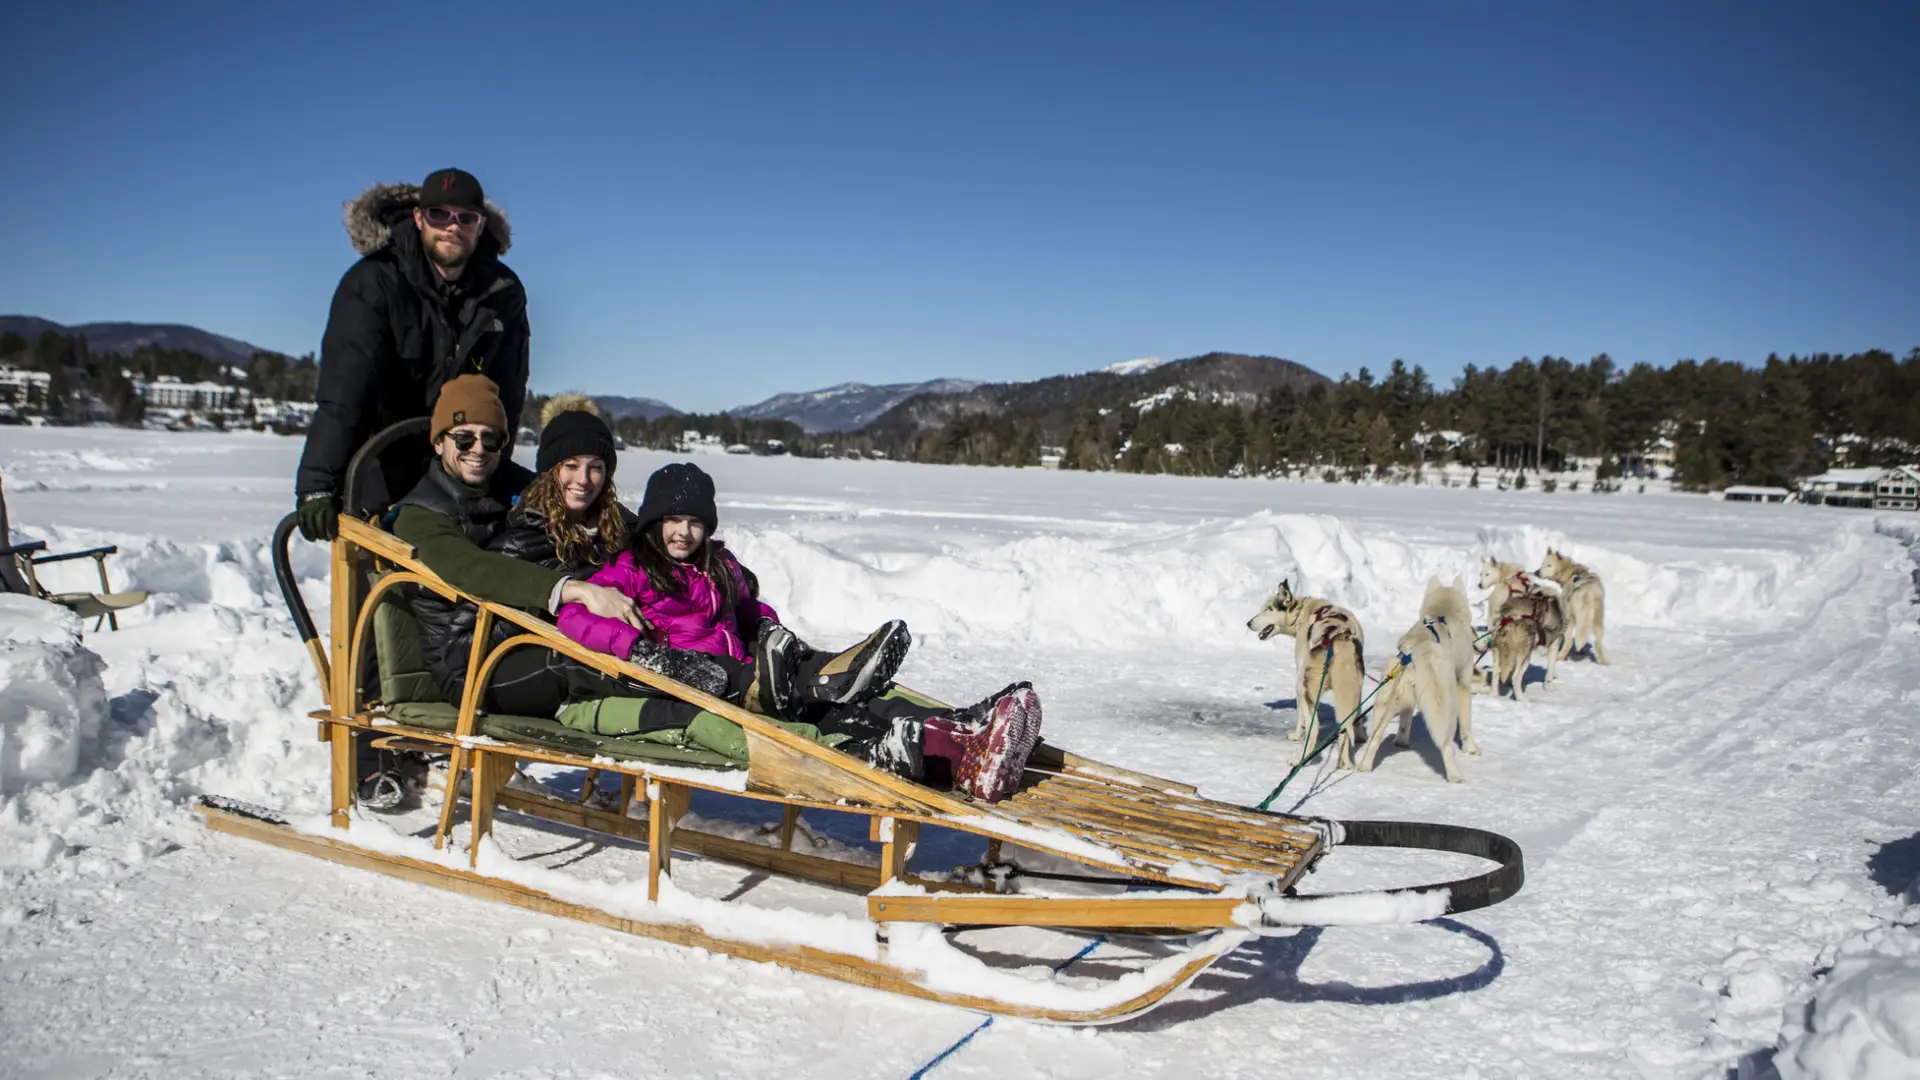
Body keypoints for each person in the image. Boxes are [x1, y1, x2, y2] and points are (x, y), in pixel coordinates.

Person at [558, 462, 1045, 802]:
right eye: (672, 521)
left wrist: (769, 627)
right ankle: (960, 755)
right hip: (693, 677)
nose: (682, 533)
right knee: (824, 708)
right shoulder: (631, 568)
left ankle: (965, 722)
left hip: (744, 668)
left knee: (856, 694)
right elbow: (573, 620)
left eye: (693, 522)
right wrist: (641, 651)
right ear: (652, 522)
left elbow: (751, 609)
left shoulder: (719, 565)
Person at [362, 375, 639, 808]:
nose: (478, 450)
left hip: (514, 638)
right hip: (466, 660)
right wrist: (569, 589)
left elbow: (586, 496)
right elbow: (472, 568)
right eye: (464, 438)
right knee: (595, 663)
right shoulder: (421, 513)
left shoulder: (509, 484)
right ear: (439, 442)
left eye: (490, 441)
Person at [295, 167, 532, 541]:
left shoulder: (503, 292)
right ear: (419, 218)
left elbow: (507, 396)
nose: (453, 227)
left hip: (458, 465)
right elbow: (344, 394)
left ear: (481, 225)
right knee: (390, 578)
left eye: (466, 218)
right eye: (440, 215)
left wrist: (491, 460)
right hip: (383, 468)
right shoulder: (373, 282)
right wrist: (318, 484)